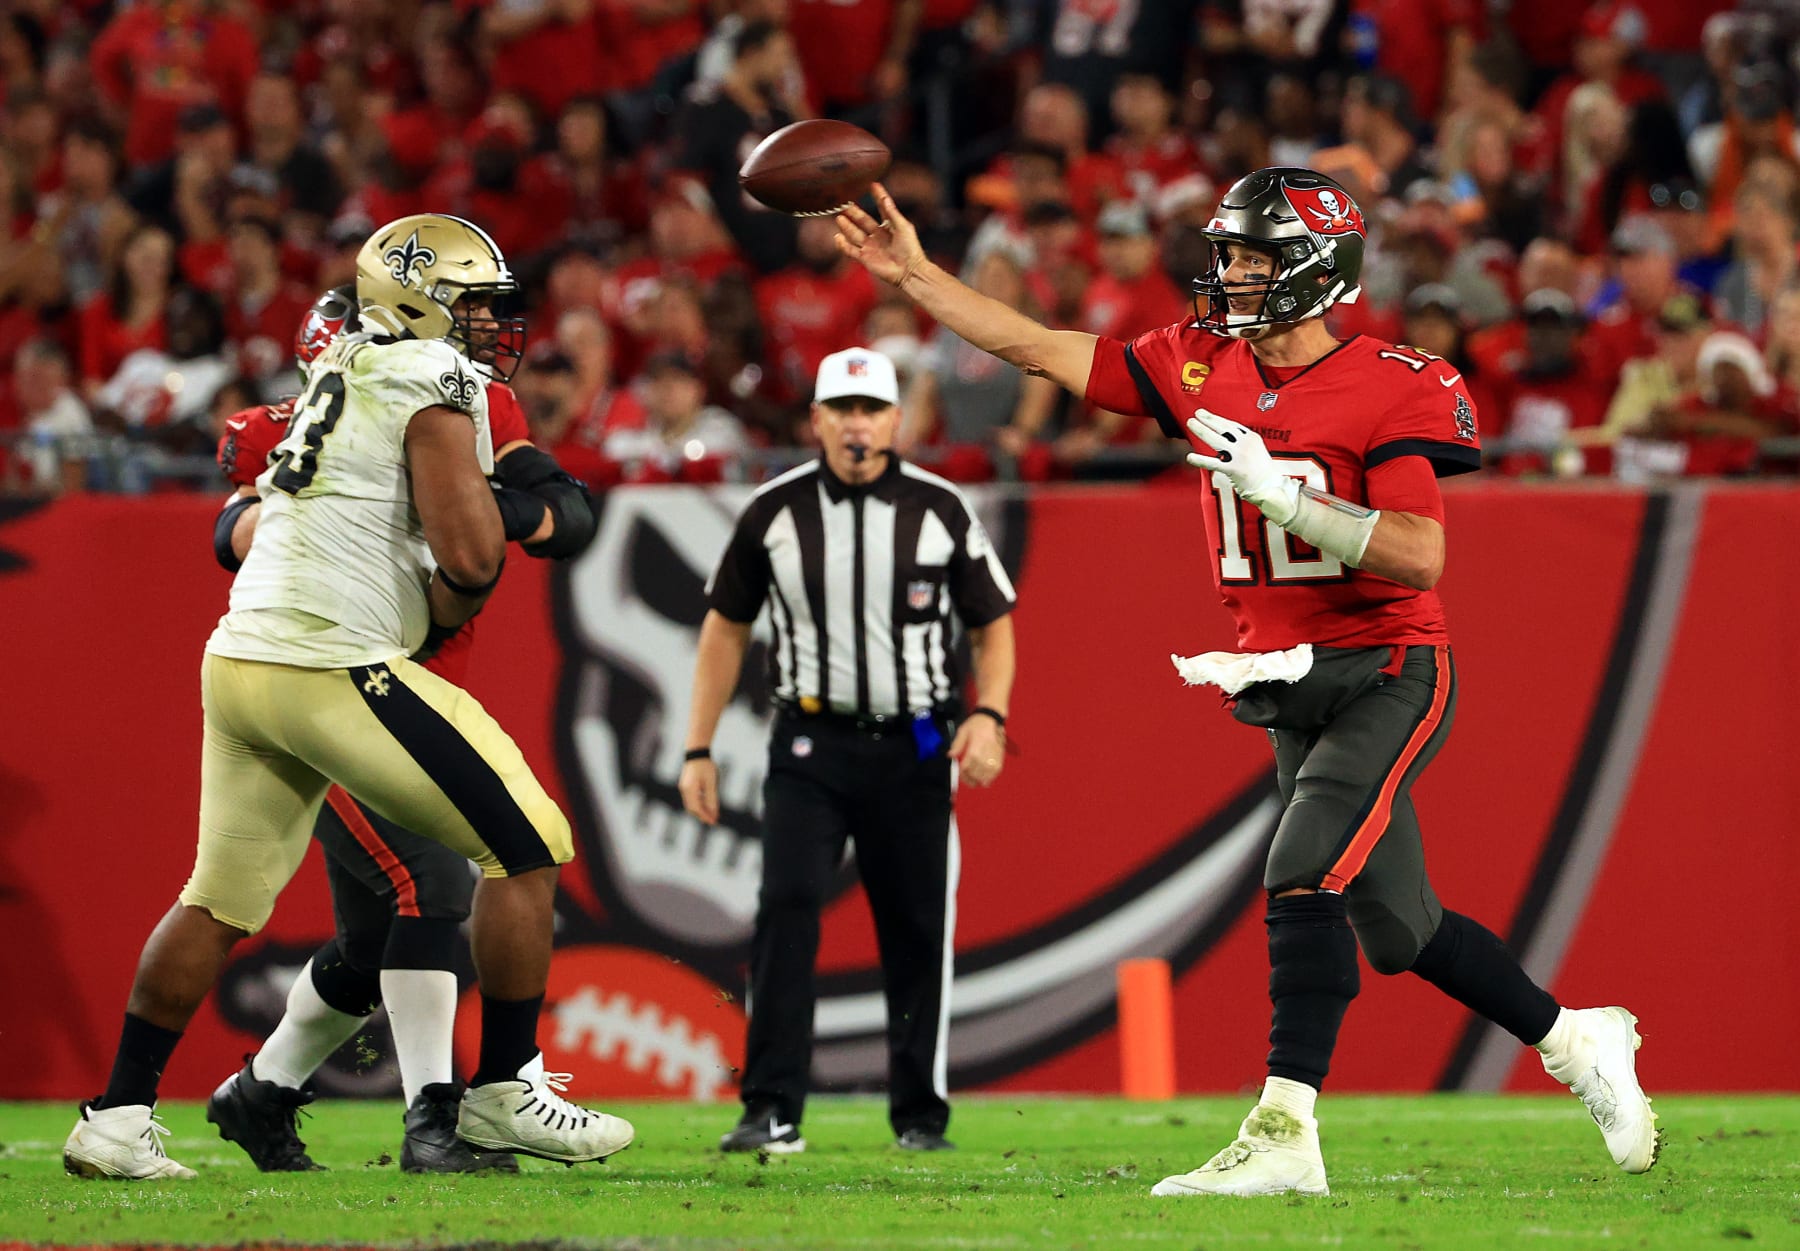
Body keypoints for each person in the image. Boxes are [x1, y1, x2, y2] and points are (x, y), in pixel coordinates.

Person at [832, 168, 1659, 1195]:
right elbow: (1037, 347)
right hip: (1289, 675)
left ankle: (1283, 1131)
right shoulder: (1199, 361)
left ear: (1315, 269)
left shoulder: (1394, 380)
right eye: (1227, 255)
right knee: (1399, 930)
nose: (1228, 275)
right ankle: (1578, 1041)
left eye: (1252, 258)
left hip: (1389, 666)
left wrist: (1290, 500)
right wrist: (915, 276)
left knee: (1303, 865)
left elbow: (1420, 555)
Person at [63, 214, 633, 1181]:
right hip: (336, 660)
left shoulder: (338, 368)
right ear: (423, 300)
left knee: (217, 898)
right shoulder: (433, 375)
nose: (490, 323)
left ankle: (116, 1115)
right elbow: (470, 557)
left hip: (241, 660)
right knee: (530, 843)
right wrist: (470, 562)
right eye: (474, 303)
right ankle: (501, 1088)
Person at [203, 283, 597, 1174]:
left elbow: (567, 510)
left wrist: (484, 509)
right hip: (332, 681)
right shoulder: (293, 429)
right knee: (434, 883)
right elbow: (232, 533)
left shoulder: (474, 403)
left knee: (368, 944)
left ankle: (260, 1092)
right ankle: (436, 1116)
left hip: (415, 688)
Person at [678, 346, 1016, 1155]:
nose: (857, 425)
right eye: (842, 409)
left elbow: (992, 623)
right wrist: (697, 745)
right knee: (785, 908)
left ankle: (919, 1115)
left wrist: (990, 715)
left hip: (918, 738)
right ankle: (771, 1107)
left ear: (897, 420)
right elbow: (725, 627)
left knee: (916, 926)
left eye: (870, 410)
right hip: (810, 740)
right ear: (817, 420)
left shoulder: (940, 508)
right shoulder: (773, 510)